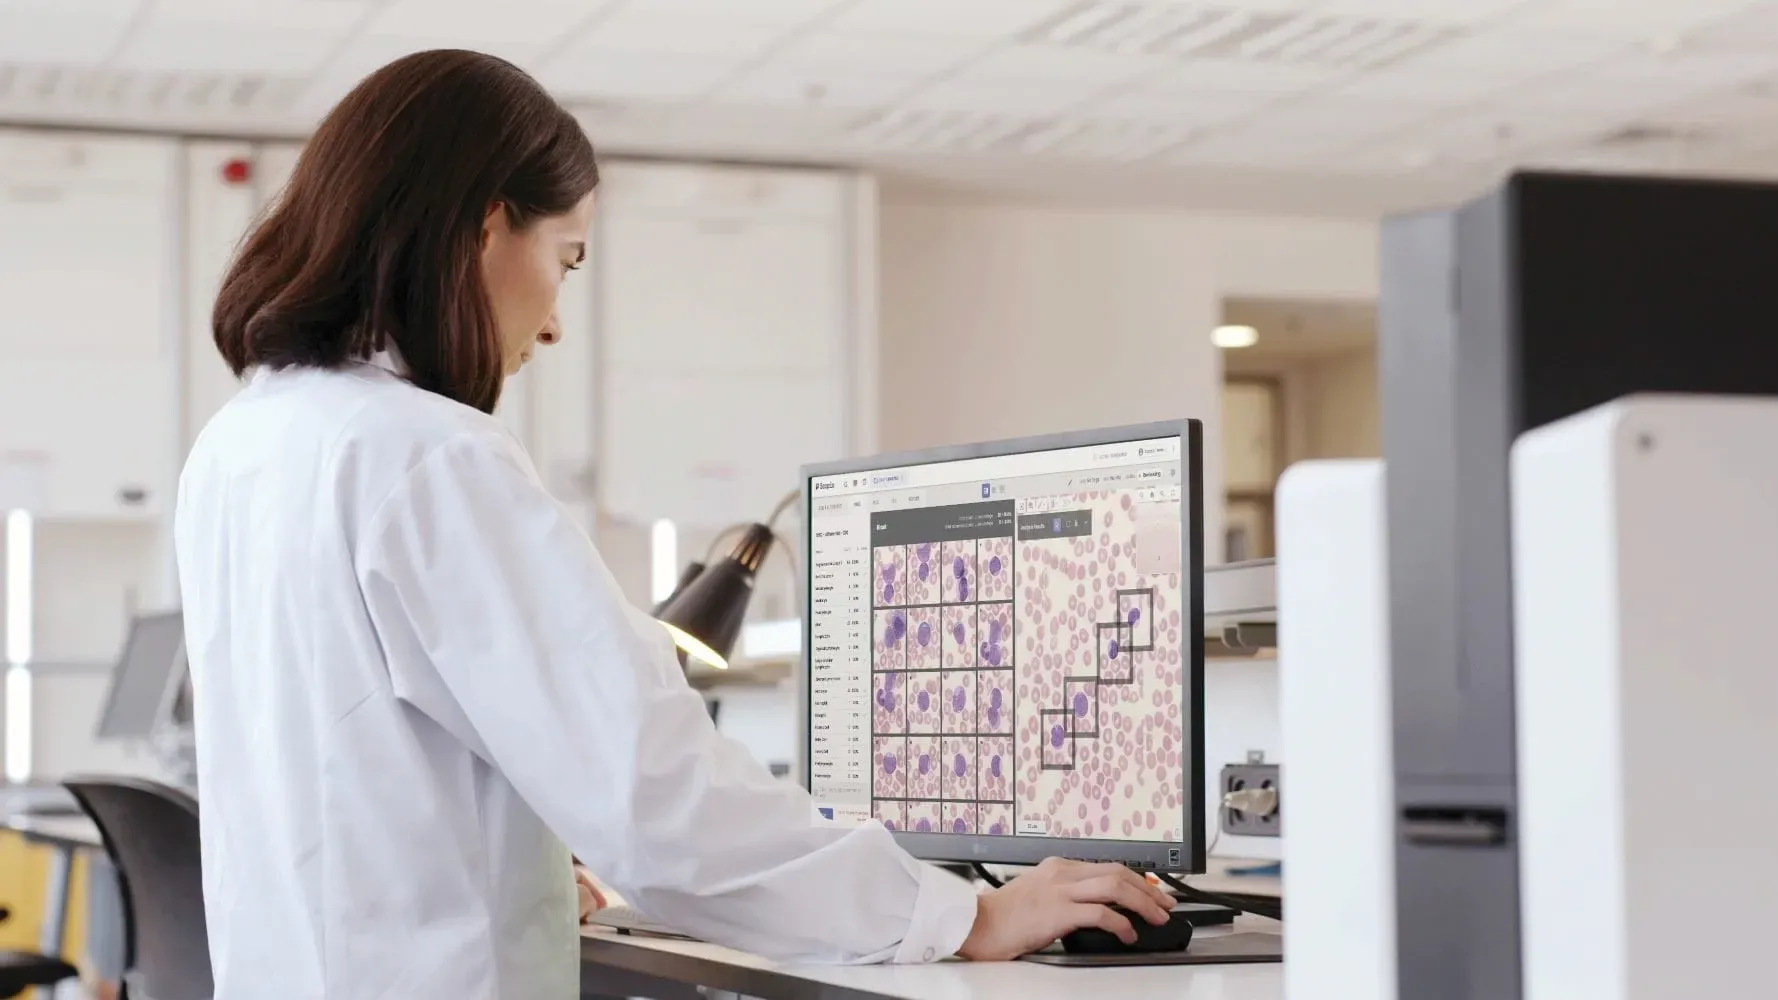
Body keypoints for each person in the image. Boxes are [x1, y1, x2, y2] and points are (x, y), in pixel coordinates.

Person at [176, 49, 1173, 1000]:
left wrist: (515, 855)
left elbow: (350, 766)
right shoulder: (433, 457)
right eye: (566, 257)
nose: (557, 320)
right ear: (485, 229)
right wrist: (964, 915)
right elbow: (657, 802)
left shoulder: (245, 441)